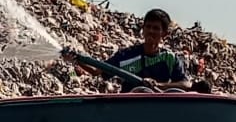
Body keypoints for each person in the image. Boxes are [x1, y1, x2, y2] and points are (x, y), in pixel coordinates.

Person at [65, 8, 194, 92]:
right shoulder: (126, 55)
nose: (151, 31)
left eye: (156, 28)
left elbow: (186, 84)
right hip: (131, 107)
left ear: (164, 33)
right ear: (142, 29)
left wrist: (158, 85)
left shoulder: (169, 58)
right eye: (148, 27)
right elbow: (97, 71)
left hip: (158, 107)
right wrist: (77, 60)